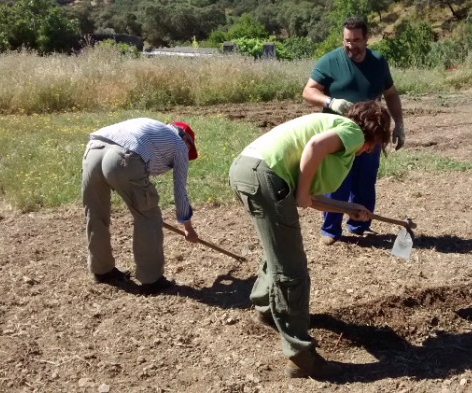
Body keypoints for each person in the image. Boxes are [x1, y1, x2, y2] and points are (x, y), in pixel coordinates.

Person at [229, 101, 392, 379]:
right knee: (292, 272)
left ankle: (266, 308)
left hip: (245, 170)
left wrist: (347, 208)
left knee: (279, 251)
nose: (371, 150)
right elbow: (314, 149)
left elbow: (308, 199)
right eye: (375, 143)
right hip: (265, 175)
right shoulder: (353, 132)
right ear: (373, 132)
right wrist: (303, 191)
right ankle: (301, 358)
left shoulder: (334, 128)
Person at [302, 16, 406, 245]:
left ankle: (360, 225)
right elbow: (308, 92)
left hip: (371, 133)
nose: (352, 46)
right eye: (347, 41)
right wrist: (330, 102)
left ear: (367, 38)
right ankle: (330, 230)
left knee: (365, 181)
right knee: (336, 182)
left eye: (357, 40)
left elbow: (390, 94)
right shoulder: (329, 61)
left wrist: (398, 124)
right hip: (339, 135)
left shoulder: (378, 62)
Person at [81, 117, 199, 295]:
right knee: (148, 216)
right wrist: (188, 227)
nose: (187, 154)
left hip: (93, 149)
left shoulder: (152, 128)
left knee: (95, 213)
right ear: (186, 140)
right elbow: (180, 190)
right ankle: (152, 280)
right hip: (123, 154)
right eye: (190, 149)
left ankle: (102, 269)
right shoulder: (179, 145)